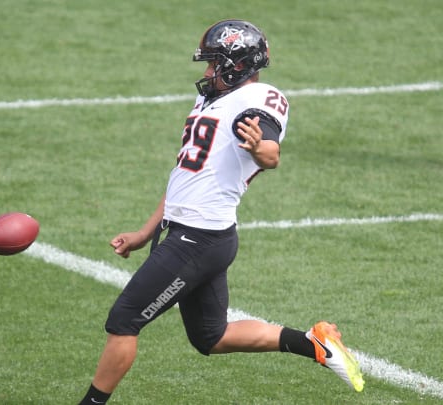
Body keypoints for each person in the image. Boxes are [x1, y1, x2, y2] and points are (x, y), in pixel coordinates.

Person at [78, 19, 364, 404]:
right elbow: (187, 177)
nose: (208, 72)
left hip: (198, 238)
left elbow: (270, 152)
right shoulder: (209, 99)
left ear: (238, 64)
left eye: (214, 64)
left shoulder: (259, 98)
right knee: (211, 337)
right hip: (194, 232)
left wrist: (259, 149)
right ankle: (314, 342)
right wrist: (146, 231)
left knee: (124, 321)